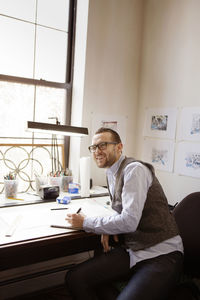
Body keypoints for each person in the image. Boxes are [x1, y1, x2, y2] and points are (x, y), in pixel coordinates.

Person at [65, 127, 184, 300]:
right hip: (133, 250)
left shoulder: (134, 170)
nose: (97, 151)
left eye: (103, 145)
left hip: (162, 254)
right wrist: (108, 227)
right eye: (93, 147)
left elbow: (129, 221)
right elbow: (122, 210)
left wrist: (85, 223)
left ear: (119, 147)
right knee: (75, 278)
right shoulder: (111, 172)